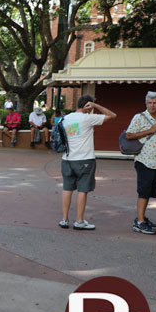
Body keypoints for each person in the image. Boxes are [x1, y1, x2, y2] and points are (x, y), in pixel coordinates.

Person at [59, 95, 116, 230]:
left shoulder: (65, 118)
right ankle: (79, 221)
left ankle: (64, 220)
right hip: (84, 159)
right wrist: (96, 106)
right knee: (82, 190)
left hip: (67, 159)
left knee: (67, 189)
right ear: (88, 105)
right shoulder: (88, 118)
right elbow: (112, 115)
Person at [125, 91, 156, 235]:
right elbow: (129, 135)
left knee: (150, 192)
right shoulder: (139, 118)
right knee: (143, 191)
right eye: (150, 103)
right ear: (146, 104)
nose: (152, 105)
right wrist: (150, 130)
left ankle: (142, 218)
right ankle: (139, 223)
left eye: (155, 103)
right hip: (144, 160)